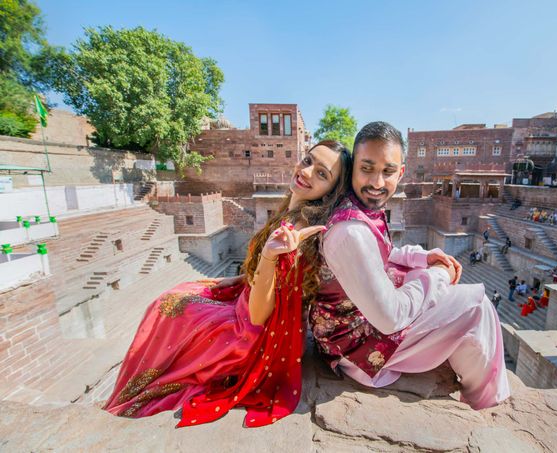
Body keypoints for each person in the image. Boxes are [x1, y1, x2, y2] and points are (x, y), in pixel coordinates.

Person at [103, 141, 353, 428]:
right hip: (248, 298)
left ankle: (128, 396)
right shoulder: (292, 211)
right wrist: (232, 281)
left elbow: (259, 318)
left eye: (322, 174)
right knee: (183, 292)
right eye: (308, 161)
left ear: (331, 191)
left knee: (167, 308)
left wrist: (270, 256)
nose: (307, 172)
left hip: (252, 335)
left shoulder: (297, 232)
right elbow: (258, 277)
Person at [310, 122, 509, 411]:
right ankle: (484, 403)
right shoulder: (349, 232)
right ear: (353, 168)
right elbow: (391, 318)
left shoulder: (358, 207)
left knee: (420, 278)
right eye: (367, 168)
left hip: (343, 329)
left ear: (400, 173)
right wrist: (439, 276)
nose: (377, 182)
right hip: (352, 347)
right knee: (477, 308)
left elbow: (382, 252)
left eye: (387, 171)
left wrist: (423, 259)